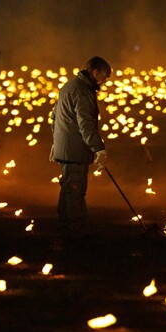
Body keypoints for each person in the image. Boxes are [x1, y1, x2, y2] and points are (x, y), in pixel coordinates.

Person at [49, 56, 111, 241]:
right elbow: (86, 125)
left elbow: (54, 117)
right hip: (75, 151)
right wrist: (98, 148)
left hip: (66, 148)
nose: (104, 81)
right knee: (75, 191)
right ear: (94, 72)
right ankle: (76, 233)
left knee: (67, 188)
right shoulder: (83, 92)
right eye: (103, 76)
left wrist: (56, 141)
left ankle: (64, 227)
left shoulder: (69, 86)